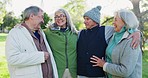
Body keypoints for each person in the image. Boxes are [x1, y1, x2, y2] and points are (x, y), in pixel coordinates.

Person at [77, 6, 141, 78]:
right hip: (83, 73)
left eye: (87, 19)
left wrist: (137, 32)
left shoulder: (106, 30)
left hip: (98, 74)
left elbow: (129, 27)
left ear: (95, 20)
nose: (84, 21)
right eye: (84, 19)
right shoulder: (81, 33)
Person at [5, 6, 58, 78]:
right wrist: (40, 56)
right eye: (41, 17)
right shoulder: (15, 33)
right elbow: (12, 59)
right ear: (32, 16)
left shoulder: (41, 32)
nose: (43, 20)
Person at [44, 9, 78, 78]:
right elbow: (34, 31)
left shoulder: (75, 33)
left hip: (74, 71)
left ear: (67, 17)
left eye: (61, 16)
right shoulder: (48, 33)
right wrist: (22, 27)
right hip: (57, 71)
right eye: (56, 17)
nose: (59, 18)